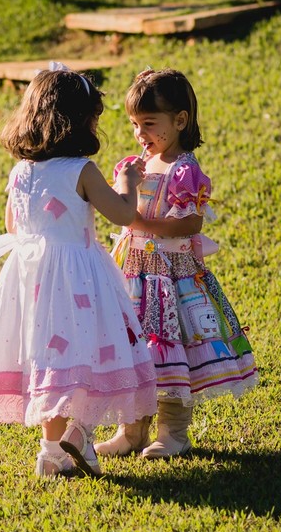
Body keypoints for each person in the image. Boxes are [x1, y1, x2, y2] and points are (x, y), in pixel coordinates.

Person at [0, 63, 157, 478]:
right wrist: (128, 180)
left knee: (51, 358)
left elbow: (13, 226)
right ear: (78, 123)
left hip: (30, 278)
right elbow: (123, 214)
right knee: (88, 349)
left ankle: (52, 453)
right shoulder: (81, 170)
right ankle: (80, 432)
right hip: (78, 276)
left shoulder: (21, 171)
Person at [97, 68, 258, 459]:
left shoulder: (184, 170)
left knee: (173, 348)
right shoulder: (137, 164)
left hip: (172, 278)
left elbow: (189, 223)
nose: (140, 133)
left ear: (180, 120)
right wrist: (125, 186)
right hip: (135, 275)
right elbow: (119, 206)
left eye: (149, 123)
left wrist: (140, 222)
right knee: (137, 351)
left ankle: (174, 432)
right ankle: (131, 430)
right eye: (134, 124)